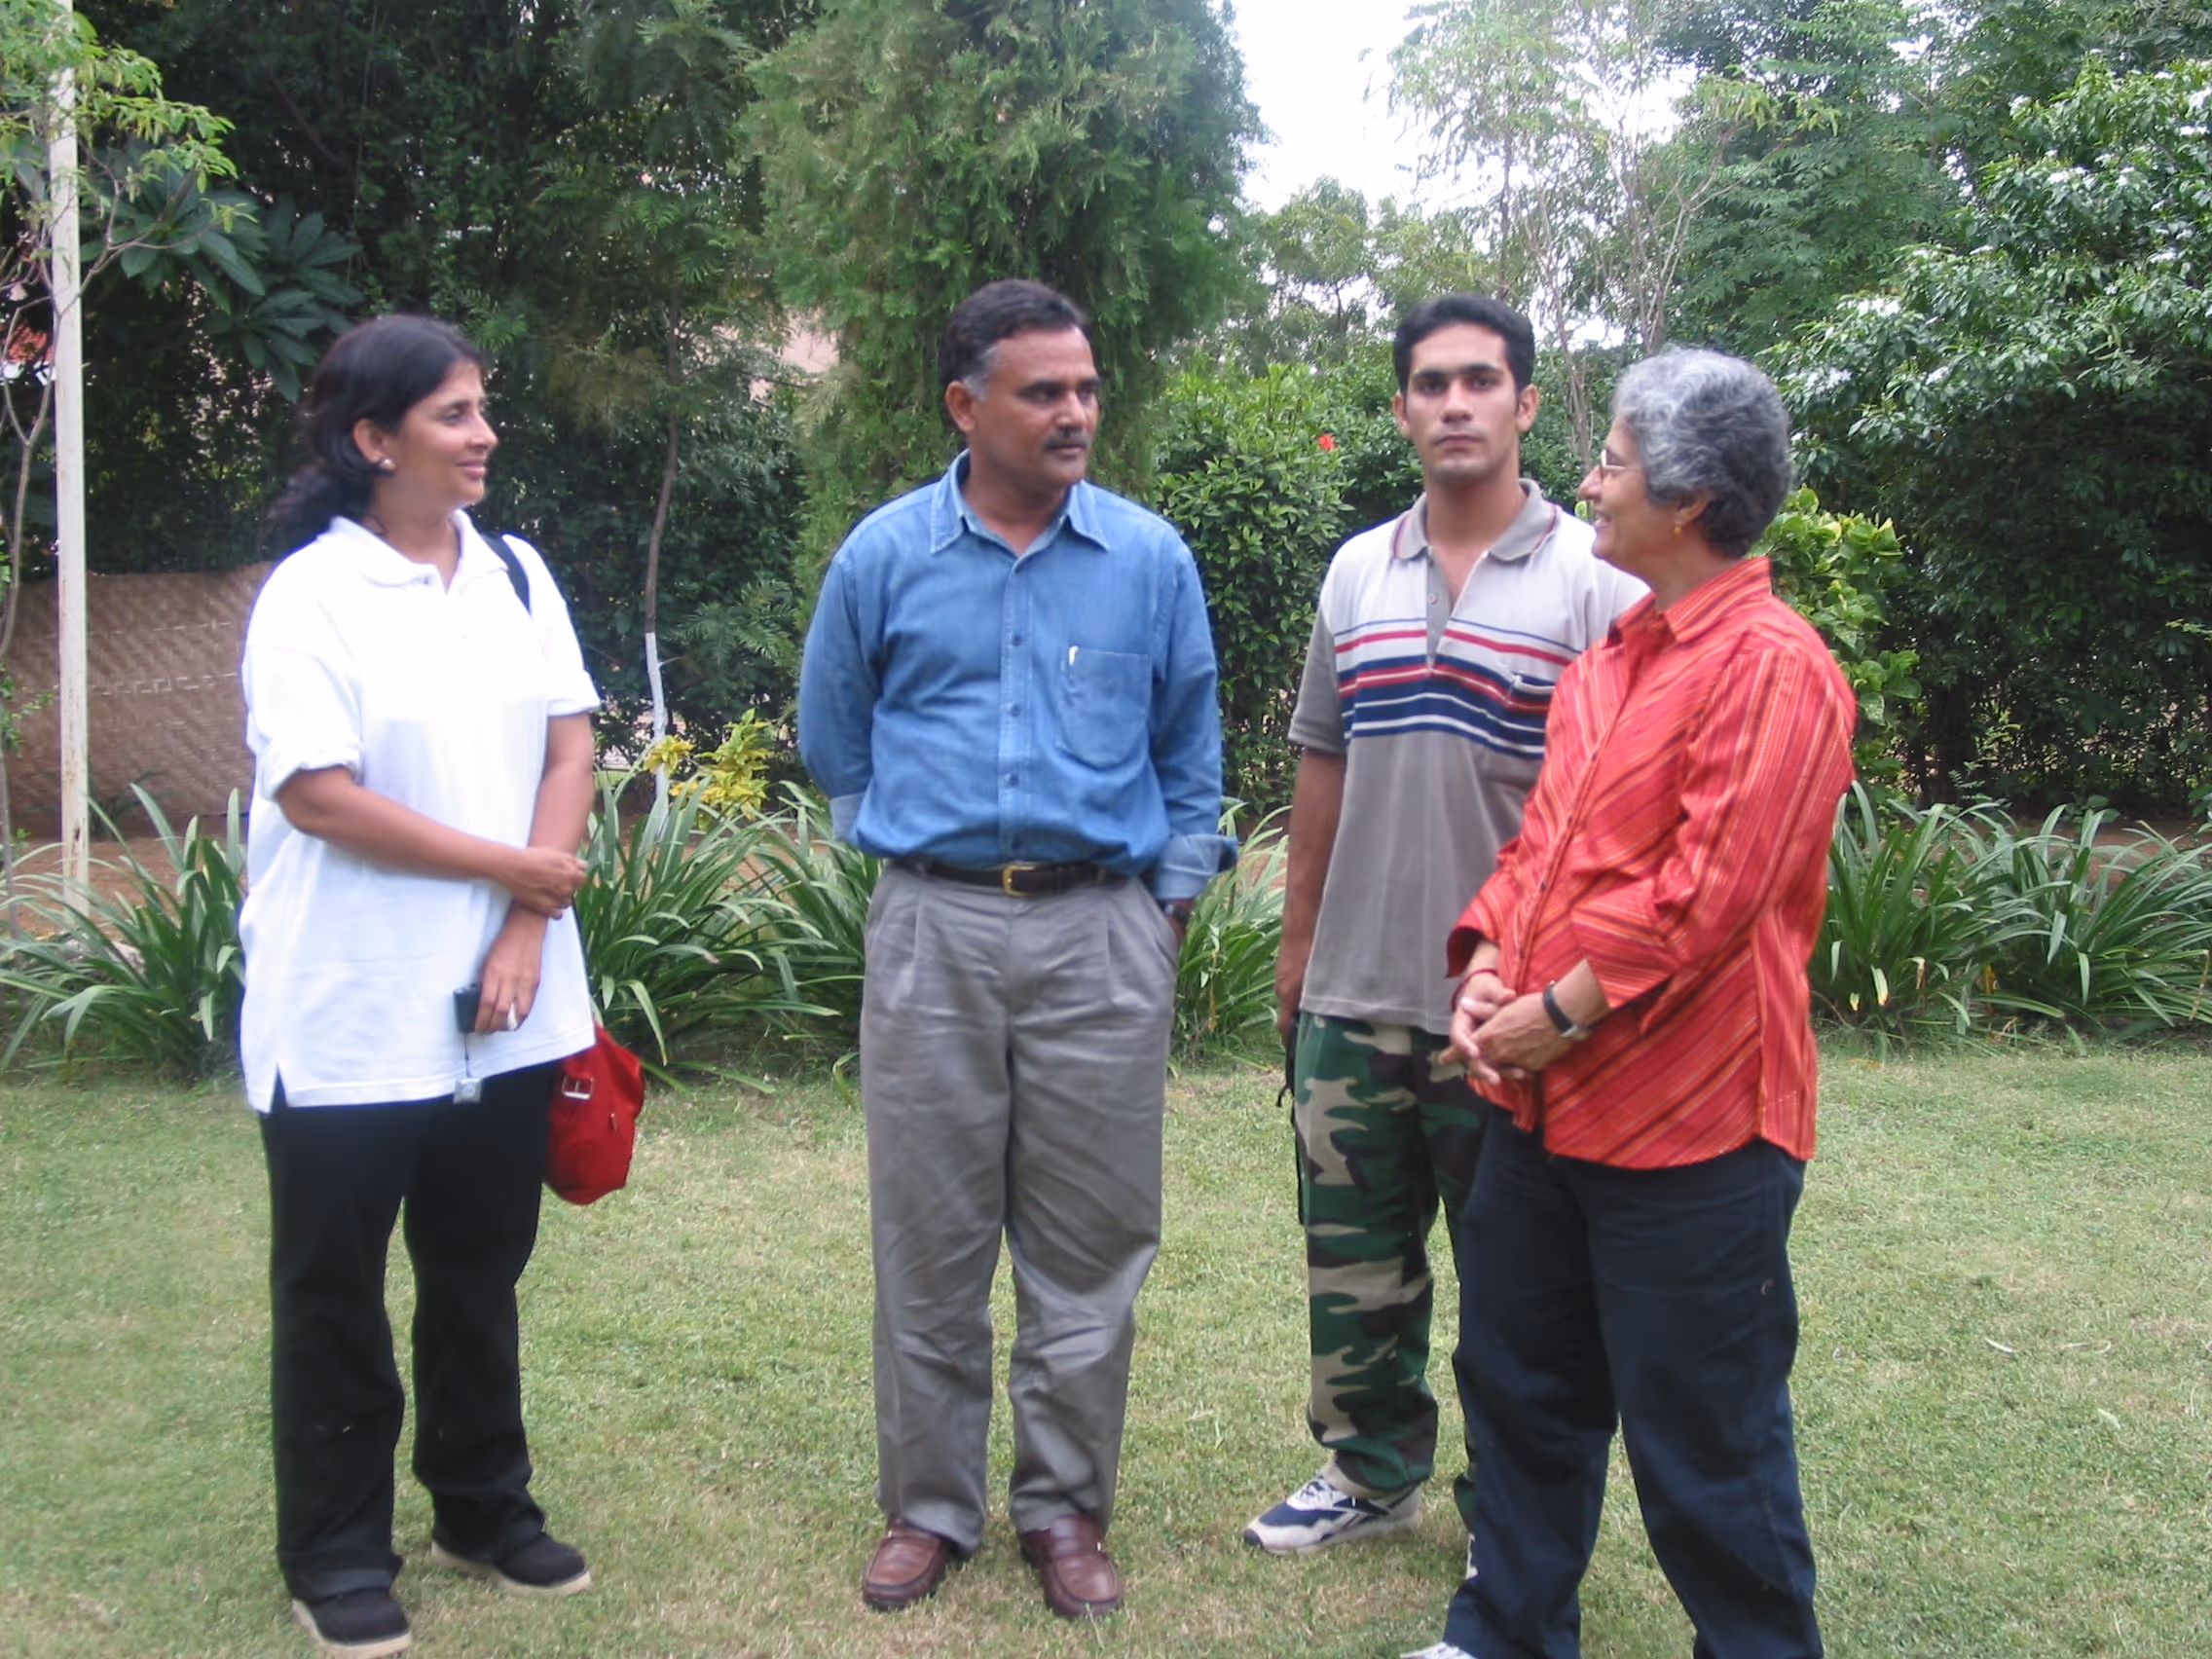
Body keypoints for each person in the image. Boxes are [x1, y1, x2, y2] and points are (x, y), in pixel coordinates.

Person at [1404, 349, 1855, 1659]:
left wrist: (1559, 1009)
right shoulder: (1613, 661)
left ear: (1695, 498)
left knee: (1704, 1436)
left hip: (1695, 1130)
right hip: (1544, 1116)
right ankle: (1508, 1627)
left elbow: (1705, 902)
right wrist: (1490, 957)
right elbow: (1542, 847)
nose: (1592, 484)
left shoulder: (1772, 668)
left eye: (1615, 461)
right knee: (1520, 1393)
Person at [797, 277, 1233, 1621]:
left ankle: (1063, 1509)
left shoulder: (1149, 559)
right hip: (933, 927)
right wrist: (912, 861)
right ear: (964, 404)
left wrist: (1155, 908)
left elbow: (1190, 747)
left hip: (1102, 932)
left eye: (1086, 387)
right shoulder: (883, 556)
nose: (1075, 411)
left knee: (1092, 1247)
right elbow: (835, 735)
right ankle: (929, 1510)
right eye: (1044, 390)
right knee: (928, 1238)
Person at [1247, 295, 1642, 1563]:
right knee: (1354, 1267)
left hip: (1509, 1014)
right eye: (1430, 383)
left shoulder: (1597, 580)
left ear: (1527, 404)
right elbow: (1323, 762)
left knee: (1519, 1287)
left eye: (1481, 380)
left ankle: (1508, 1519)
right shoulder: (1358, 570)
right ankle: (1370, 1474)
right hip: (1354, 990)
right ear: (1404, 407)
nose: (1455, 403)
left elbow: (1622, 810)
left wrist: (1568, 992)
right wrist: (1297, 949)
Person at [240, 313, 601, 1659]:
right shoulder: (310, 597)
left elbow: (571, 743)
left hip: (503, 1009)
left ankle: (481, 1505)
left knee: (477, 1266)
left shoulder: (513, 570)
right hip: (349, 1007)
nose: (484, 433)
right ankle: (335, 1550)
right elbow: (320, 796)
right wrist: (517, 863)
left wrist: (522, 918)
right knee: (333, 1287)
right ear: (370, 439)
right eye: (453, 414)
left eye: (483, 408)